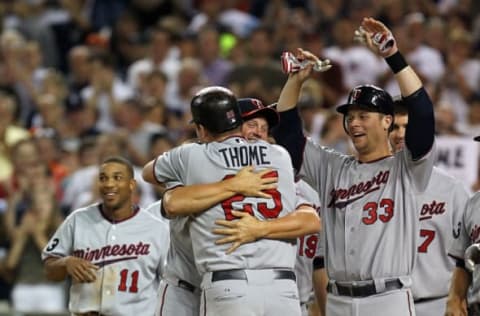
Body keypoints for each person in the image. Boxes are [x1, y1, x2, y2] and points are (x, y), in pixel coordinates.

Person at [272, 17, 436, 316]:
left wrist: (392, 56)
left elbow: (423, 112)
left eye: (364, 115)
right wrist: (295, 81)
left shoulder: (408, 167)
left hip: (389, 298)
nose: (354, 122)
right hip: (338, 300)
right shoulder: (332, 167)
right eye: (350, 116)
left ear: (387, 121)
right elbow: (288, 138)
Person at [143, 86, 320, 316]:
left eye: (263, 127)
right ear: (239, 123)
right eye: (253, 125)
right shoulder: (280, 156)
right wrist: (234, 186)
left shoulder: (192, 156)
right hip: (282, 288)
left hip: (229, 283)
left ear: (201, 129)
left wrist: (257, 225)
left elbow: (149, 173)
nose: (258, 132)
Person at [42, 156, 169, 316]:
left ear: (131, 185)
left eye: (117, 178)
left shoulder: (156, 228)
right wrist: (66, 263)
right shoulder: (78, 220)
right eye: (103, 178)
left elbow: (170, 284)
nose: (109, 184)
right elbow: (49, 270)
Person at [389, 98, 470, 316]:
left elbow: (470, 254)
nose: (400, 134)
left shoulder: (452, 190)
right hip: (383, 304)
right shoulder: (368, 187)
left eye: (408, 126)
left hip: (438, 304)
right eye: (394, 127)